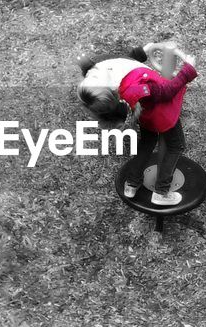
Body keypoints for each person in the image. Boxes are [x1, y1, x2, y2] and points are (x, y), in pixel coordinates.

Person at [77, 41, 198, 206]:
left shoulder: (115, 90)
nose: (95, 71)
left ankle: (132, 183)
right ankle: (161, 192)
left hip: (144, 116)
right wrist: (188, 69)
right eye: (95, 75)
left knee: (146, 145)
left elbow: (120, 64)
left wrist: (141, 52)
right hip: (164, 116)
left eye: (93, 74)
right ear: (110, 89)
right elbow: (167, 92)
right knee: (175, 146)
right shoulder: (139, 86)